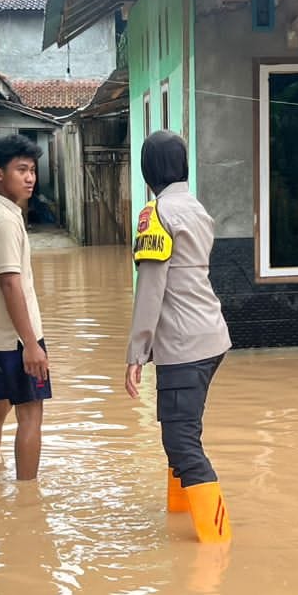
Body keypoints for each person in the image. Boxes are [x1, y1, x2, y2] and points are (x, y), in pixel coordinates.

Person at [124, 131, 234, 543]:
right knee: (182, 430)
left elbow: (150, 288)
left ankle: (218, 542)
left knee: (181, 439)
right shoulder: (196, 208)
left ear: (148, 171)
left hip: (183, 345)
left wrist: (136, 352)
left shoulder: (156, 214)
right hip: (211, 336)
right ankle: (180, 514)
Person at [0, 134, 49, 481]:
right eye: (21, 170)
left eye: (32, 170)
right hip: (15, 339)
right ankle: (27, 497)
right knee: (30, 415)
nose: (30, 178)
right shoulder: (4, 219)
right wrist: (31, 343)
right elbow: (10, 283)